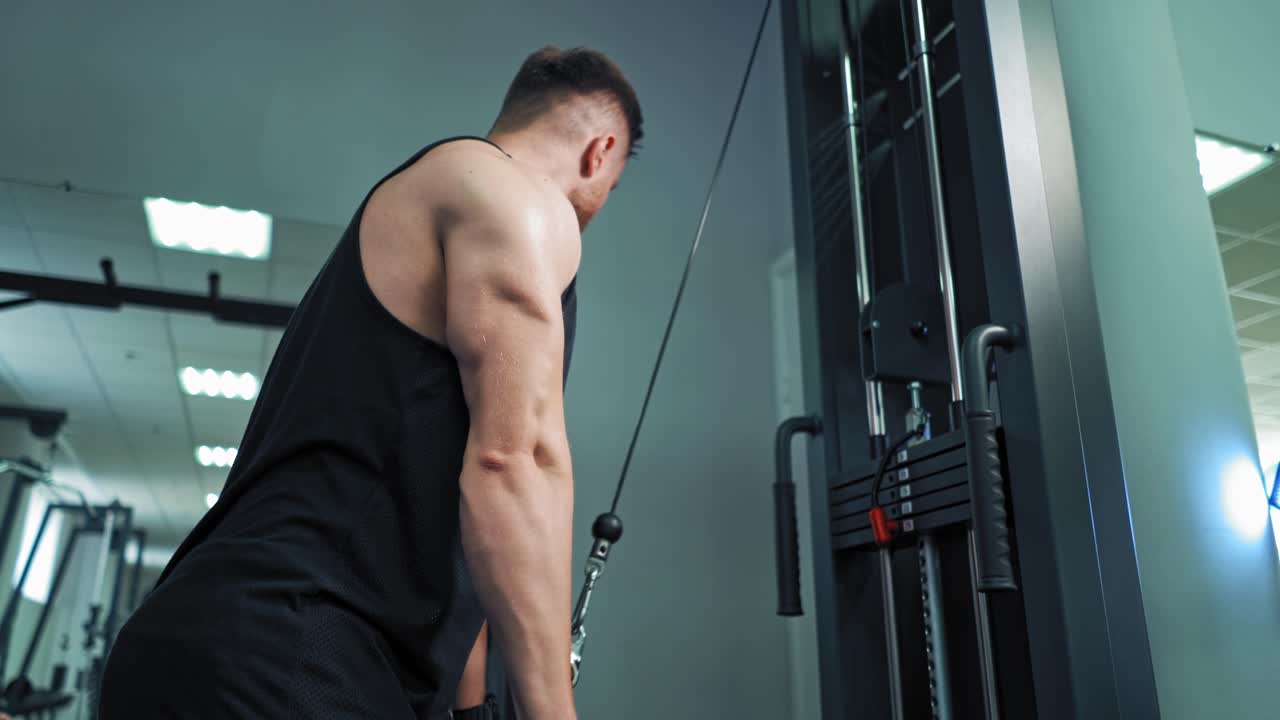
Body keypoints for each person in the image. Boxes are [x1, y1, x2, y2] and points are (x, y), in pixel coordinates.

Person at [99, 46, 642, 720]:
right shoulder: (516, 197)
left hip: (216, 642)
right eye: (608, 190)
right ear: (599, 153)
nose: (593, 210)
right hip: (293, 656)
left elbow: (469, 544)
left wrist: (470, 711)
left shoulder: (441, 198)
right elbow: (515, 464)